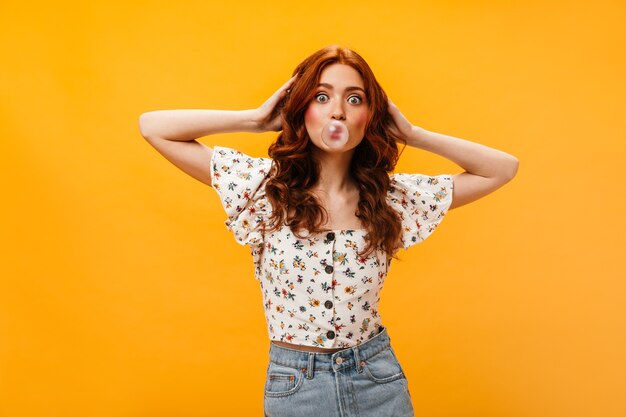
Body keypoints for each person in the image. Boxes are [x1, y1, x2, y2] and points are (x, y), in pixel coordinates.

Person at [138, 45, 518, 417]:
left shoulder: (390, 199)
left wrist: (413, 134)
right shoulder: (264, 188)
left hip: (377, 379)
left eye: (355, 99)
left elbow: (503, 168)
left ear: (371, 116)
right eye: (321, 97)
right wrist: (253, 120)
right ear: (301, 107)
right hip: (297, 387)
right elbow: (153, 127)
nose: (337, 111)